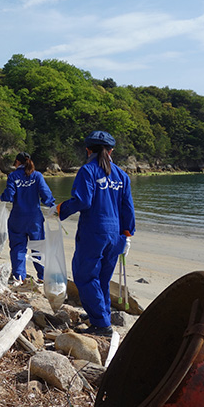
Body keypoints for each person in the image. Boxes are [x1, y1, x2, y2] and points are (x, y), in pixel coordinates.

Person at [56, 131, 135, 336]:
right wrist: (127, 235)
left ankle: (101, 324)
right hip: (115, 234)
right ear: (111, 151)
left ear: (88, 150)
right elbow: (128, 209)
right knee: (102, 277)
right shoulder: (122, 175)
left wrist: (59, 210)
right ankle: (101, 313)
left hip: (95, 232)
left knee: (84, 274)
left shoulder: (88, 171)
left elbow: (83, 201)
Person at [0, 152, 56, 286]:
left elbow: (9, 195)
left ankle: (19, 277)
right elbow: (46, 194)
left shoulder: (13, 176)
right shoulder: (37, 176)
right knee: (38, 247)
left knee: (18, 247)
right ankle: (42, 277)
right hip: (35, 219)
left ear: (17, 162)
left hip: (17, 218)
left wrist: (0, 198)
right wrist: (53, 207)